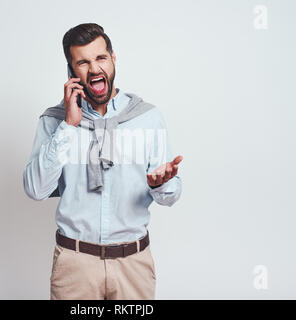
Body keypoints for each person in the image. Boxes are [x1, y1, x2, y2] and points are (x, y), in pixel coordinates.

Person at [23, 23, 183, 300]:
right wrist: (68, 127)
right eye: (83, 62)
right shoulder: (54, 121)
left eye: (100, 58)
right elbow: (35, 190)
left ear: (113, 59)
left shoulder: (147, 118)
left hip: (133, 264)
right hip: (74, 265)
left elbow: (170, 197)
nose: (94, 69)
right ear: (71, 72)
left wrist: (161, 185)